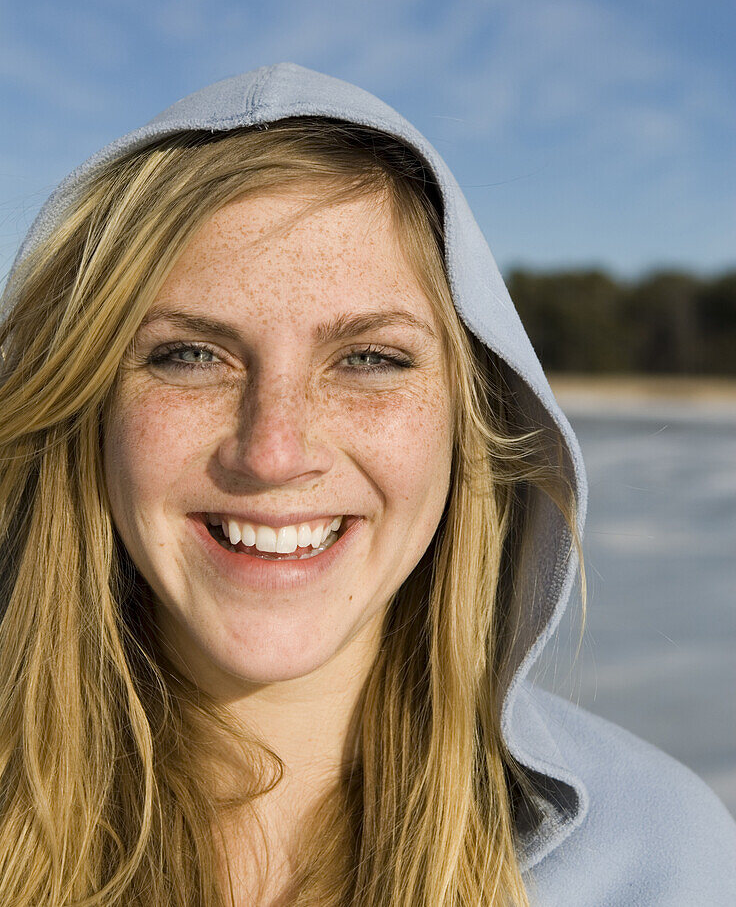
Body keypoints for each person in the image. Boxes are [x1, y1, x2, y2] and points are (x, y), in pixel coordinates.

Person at [0, 62, 733, 907]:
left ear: (473, 424)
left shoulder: (662, 861)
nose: (273, 452)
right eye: (191, 355)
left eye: (368, 359)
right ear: (88, 411)